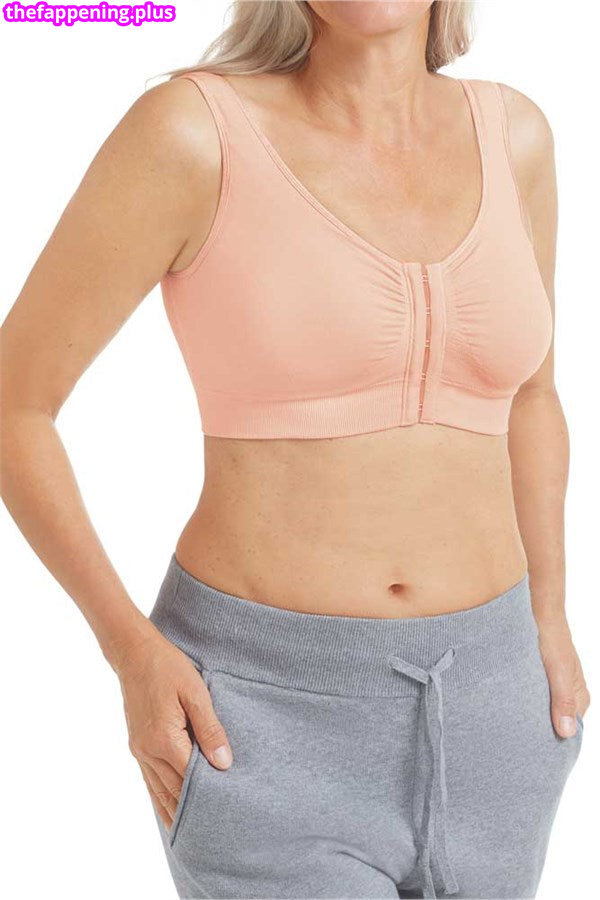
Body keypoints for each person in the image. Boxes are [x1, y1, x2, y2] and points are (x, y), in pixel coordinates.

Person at [0, 2, 590, 898]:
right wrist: (131, 652)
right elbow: (16, 404)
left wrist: (549, 617)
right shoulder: (194, 133)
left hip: (496, 708)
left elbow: (535, 397)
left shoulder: (517, 135)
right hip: (261, 717)